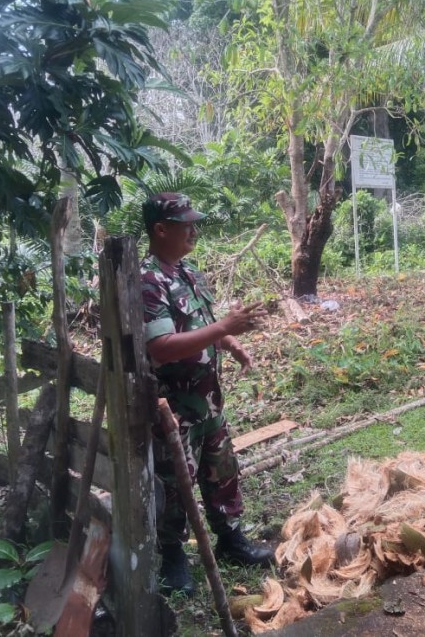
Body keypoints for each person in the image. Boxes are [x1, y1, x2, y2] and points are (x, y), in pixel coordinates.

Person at [140, 192, 274, 596]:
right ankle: (173, 558)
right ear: (160, 230)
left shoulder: (187, 272)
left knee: (221, 470)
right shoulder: (148, 281)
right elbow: (160, 347)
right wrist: (225, 328)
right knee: (175, 482)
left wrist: (229, 343)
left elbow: (202, 321)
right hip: (172, 405)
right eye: (186, 225)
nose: (194, 231)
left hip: (208, 399)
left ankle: (232, 541)